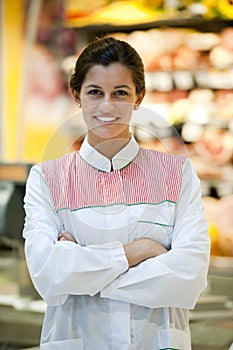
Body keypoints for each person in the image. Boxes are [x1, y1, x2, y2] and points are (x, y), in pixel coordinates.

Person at [23, 36, 210, 350]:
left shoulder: (176, 174)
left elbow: (189, 277)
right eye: (95, 92)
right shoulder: (47, 179)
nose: (107, 105)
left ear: (139, 97)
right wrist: (143, 250)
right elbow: (49, 276)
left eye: (120, 93)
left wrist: (83, 275)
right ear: (77, 96)